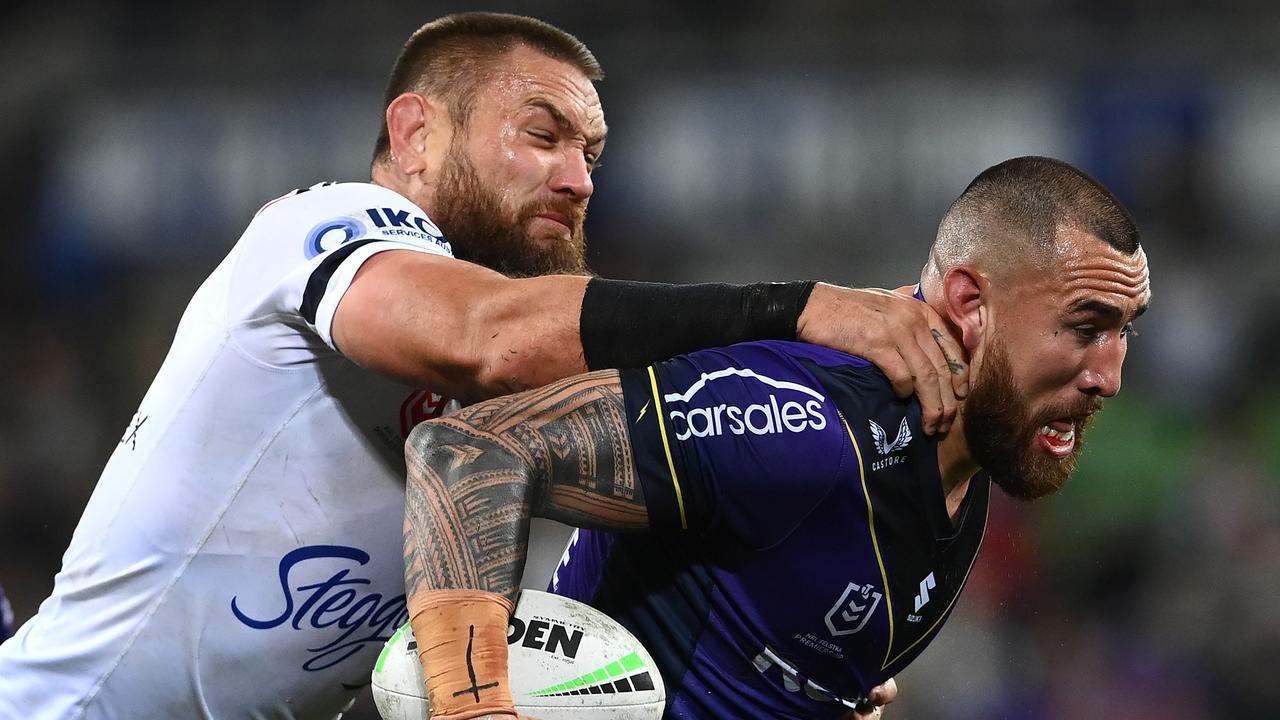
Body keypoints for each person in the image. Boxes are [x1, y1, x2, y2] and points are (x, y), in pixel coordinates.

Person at [0, 12, 959, 720]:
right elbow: (485, 335)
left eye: (590, 152)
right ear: (416, 134)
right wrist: (794, 308)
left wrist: (785, 663)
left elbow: (683, 504)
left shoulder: (521, 401)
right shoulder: (320, 227)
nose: (580, 177)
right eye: (542, 135)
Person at [399, 155, 1151, 719]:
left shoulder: (972, 453)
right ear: (970, 304)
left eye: (1124, 333)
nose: (1109, 376)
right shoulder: (805, 424)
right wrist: (476, 706)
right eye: (1084, 328)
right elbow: (469, 452)